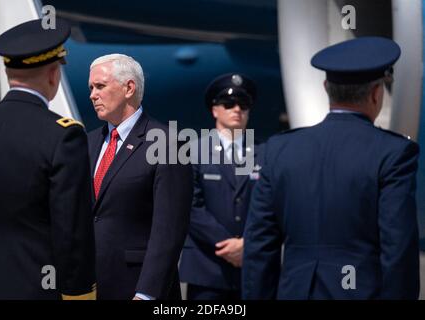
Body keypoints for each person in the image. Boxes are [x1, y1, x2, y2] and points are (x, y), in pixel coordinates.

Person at [242, 37, 420, 300]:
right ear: (376, 93)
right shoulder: (393, 153)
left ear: (326, 88)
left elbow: (258, 246)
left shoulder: (279, 150)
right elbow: (398, 251)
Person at [0, 19, 96, 299]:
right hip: (33, 287)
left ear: (8, 73)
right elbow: (72, 229)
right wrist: (80, 293)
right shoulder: (64, 136)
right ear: (53, 74)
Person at [87, 54, 193, 300]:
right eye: (91, 88)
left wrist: (146, 294)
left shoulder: (168, 144)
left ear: (129, 88)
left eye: (100, 86)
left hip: (138, 289)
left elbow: (169, 231)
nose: (93, 94)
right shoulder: (87, 142)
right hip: (89, 288)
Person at [179, 73, 265, 300]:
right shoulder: (193, 152)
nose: (237, 109)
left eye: (243, 104)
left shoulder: (264, 153)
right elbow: (190, 206)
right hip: (207, 268)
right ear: (215, 110)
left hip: (253, 268)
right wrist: (230, 246)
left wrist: (248, 243)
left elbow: (271, 205)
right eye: (229, 103)